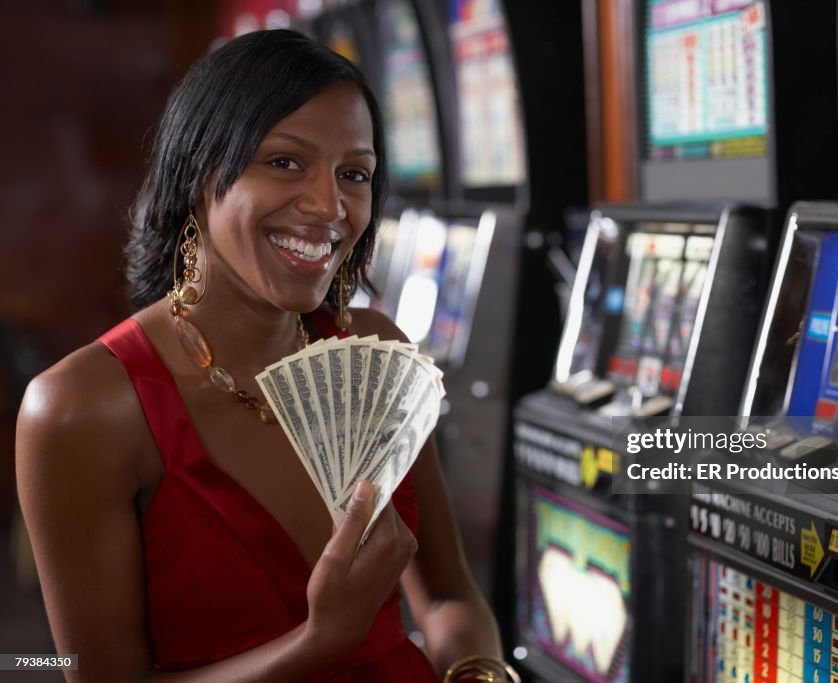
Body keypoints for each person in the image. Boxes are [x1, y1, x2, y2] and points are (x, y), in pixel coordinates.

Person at [16, 29, 507, 682]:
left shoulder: (376, 350)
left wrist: (481, 669)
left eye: (353, 174)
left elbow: (447, 597)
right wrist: (317, 640)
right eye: (284, 162)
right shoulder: (82, 406)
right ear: (196, 175)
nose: (329, 206)